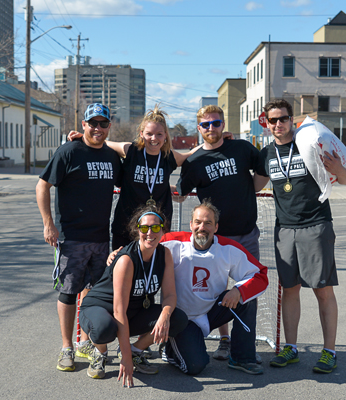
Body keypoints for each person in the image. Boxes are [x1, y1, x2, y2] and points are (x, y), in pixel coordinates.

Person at [253, 98, 346, 374]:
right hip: (284, 229)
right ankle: (291, 348)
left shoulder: (309, 143)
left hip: (316, 225)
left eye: (282, 119)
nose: (277, 124)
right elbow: (254, 185)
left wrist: (339, 170)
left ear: (291, 119)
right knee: (290, 289)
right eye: (272, 120)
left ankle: (329, 351)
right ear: (266, 123)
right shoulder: (266, 153)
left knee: (322, 290)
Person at [36, 103, 122, 372]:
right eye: (92, 123)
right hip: (71, 237)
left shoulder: (111, 157)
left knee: (96, 294)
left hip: (100, 238)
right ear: (83, 124)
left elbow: (130, 178)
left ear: (109, 127)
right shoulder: (68, 152)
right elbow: (42, 185)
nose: (97, 128)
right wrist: (48, 223)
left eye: (103, 124)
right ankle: (66, 347)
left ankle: (89, 344)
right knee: (69, 292)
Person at [176, 104, 261, 361]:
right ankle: (224, 340)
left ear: (223, 125)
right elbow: (180, 193)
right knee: (216, 290)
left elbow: (263, 169)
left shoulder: (242, 148)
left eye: (216, 123)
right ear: (198, 127)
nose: (211, 128)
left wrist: (251, 191)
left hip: (246, 234)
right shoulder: (194, 160)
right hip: (215, 238)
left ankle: (244, 349)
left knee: (248, 290)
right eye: (205, 124)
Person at [79, 205, 188, 385]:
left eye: (155, 227)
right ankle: (100, 353)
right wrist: (125, 360)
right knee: (104, 328)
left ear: (162, 230)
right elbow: (118, 311)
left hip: (133, 310)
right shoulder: (126, 260)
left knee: (177, 318)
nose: (150, 233)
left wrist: (165, 315)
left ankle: (135, 350)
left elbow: (169, 295)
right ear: (138, 230)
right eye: (144, 228)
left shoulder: (164, 254)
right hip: (100, 308)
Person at [68, 105, 200, 250]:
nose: (154, 138)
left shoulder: (168, 157)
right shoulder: (130, 150)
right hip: (126, 227)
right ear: (141, 133)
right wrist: (83, 136)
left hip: (156, 229)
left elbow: (193, 155)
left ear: (166, 135)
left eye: (159, 134)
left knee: (154, 269)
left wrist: (219, 140)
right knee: (123, 269)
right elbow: (103, 142)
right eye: (149, 133)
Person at [160, 200, 269, 375]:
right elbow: (141, 247)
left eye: (208, 223)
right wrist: (118, 254)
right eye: (198, 222)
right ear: (191, 224)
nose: (202, 227)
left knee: (246, 298)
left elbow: (260, 275)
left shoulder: (228, 248)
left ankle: (242, 358)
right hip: (183, 318)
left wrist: (239, 290)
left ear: (216, 227)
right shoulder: (172, 242)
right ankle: (171, 349)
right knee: (195, 367)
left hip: (212, 312)